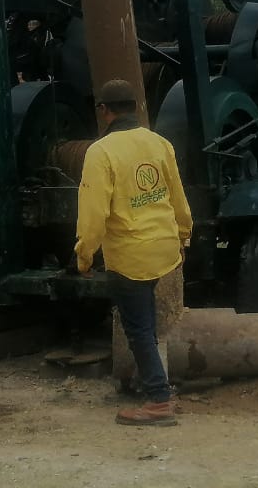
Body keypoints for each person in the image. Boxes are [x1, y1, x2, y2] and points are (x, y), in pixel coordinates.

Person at [74, 77, 194, 427]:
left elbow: (93, 214)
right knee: (148, 323)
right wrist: (184, 235)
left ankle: (158, 400)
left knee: (139, 329)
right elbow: (178, 198)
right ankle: (154, 383)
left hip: (130, 255)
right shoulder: (160, 144)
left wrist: (84, 256)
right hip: (164, 248)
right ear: (136, 107)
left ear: (104, 110)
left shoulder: (101, 152)